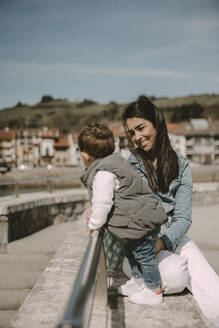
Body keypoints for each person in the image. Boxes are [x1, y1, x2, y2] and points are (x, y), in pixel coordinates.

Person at [122, 95, 219, 326]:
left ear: (156, 122)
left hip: (172, 237)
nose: (136, 137)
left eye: (140, 128)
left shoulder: (182, 165)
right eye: (131, 133)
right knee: (176, 276)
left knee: (213, 289)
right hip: (140, 247)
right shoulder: (130, 165)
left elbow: (183, 218)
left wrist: (164, 242)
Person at [78, 123, 168, 305]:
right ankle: (138, 281)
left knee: (144, 255)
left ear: (85, 154)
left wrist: (94, 225)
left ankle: (153, 290)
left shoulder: (103, 173)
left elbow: (102, 203)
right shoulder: (115, 162)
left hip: (137, 221)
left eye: (79, 150)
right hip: (133, 221)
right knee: (131, 252)